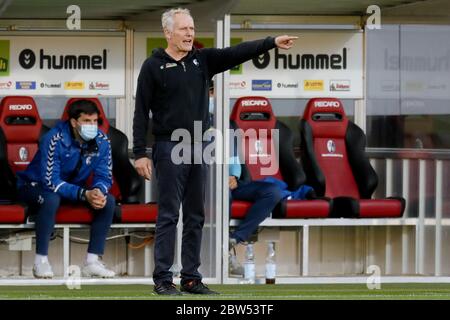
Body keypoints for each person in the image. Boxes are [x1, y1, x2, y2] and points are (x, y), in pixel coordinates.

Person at [133, 7, 297, 295]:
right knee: (169, 215)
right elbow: (140, 111)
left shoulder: (202, 60)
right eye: (184, 29)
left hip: (198, 145)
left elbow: (237, 52)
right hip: (168, 146)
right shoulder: (152, 66)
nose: (190, 34)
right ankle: (162, 280)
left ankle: (191, 278)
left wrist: (270, 42)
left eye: (192, 29)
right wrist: (139, 153)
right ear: (168, 32)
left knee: (196, 214)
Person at [16, 99, 116, 279]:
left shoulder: (102, 141)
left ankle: (92, 262)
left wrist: (98, 191)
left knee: (108, 201)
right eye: (86, 121)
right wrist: (84, 194)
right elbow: (51, 182)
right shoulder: (54, 138)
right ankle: (41, 261)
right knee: (51, 198)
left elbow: (104, 176)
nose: (92, 126)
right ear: (74, 122)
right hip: (34, 186)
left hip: (72, 190)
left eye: (94, 121)